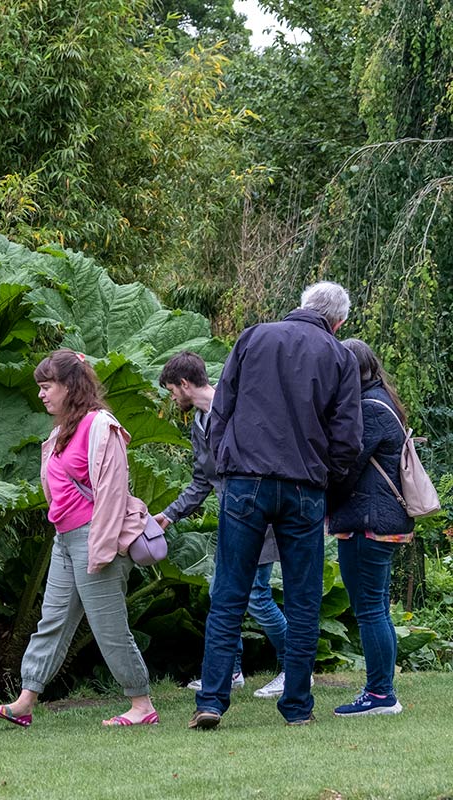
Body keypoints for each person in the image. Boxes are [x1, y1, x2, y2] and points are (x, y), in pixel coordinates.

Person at [190, 282, 362, 730]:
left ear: (302, 305)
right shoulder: (340, 356)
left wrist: (227, 466)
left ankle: (211, 700)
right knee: (304, 600)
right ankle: (297, 707)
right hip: (305, 486)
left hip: (246, 481)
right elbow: (348, 438)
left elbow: (221, 408)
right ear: (338, 322)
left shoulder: (253, 336)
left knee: (229, 593)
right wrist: (328, 482)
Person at [0, 349, 158, 728]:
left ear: (70, 386)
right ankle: (25, 701)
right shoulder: (60, 431)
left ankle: (142, 705)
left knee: (109, 626)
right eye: (41, 388)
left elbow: (112, 494)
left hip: (96, 538)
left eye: (48, 387)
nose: (42, 394)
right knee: (53, 620)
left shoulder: (101, 427)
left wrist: (102, 548)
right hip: (64, 540)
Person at [154, 351, 293, 699]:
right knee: (220, 594)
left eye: (172, 390)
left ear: (185, 384)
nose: (172, 398)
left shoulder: (234, 411)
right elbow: (203, 481)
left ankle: (296, 669)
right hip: (234, 521)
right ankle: (230, 671)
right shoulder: (200, 422)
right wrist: (169, 515)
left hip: (258, 517)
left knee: (257, 596)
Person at [326, 339, 412, 716]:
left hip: (367, 522)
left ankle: (380, 695)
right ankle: (383, 690)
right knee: (376, 607)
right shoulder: (381, 399)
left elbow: (346, 468)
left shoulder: (368, 408)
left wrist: (319, 500)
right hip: (378, 521)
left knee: (370, 610)